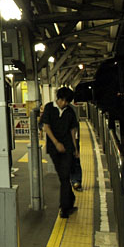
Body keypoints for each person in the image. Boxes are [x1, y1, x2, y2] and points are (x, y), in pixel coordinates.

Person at [41, 87, 79, 219]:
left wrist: (75, 148)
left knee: (64, 176)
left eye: (67, 101)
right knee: (63, 176)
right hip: (54, 148)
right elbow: (46, 127)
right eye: (63, 100)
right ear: (59, 98)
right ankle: (70, 198)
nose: (64, 103)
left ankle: (64, 208)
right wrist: (56, 143)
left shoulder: (70, 111)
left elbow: (73, 131)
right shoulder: (49, 108)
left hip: (67, 147)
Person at [69, 101, 83, 190]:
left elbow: (75, 129)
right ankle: (74, 180)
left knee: (75, 160)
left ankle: (76, 181)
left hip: (72, 138)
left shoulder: (72, 109)